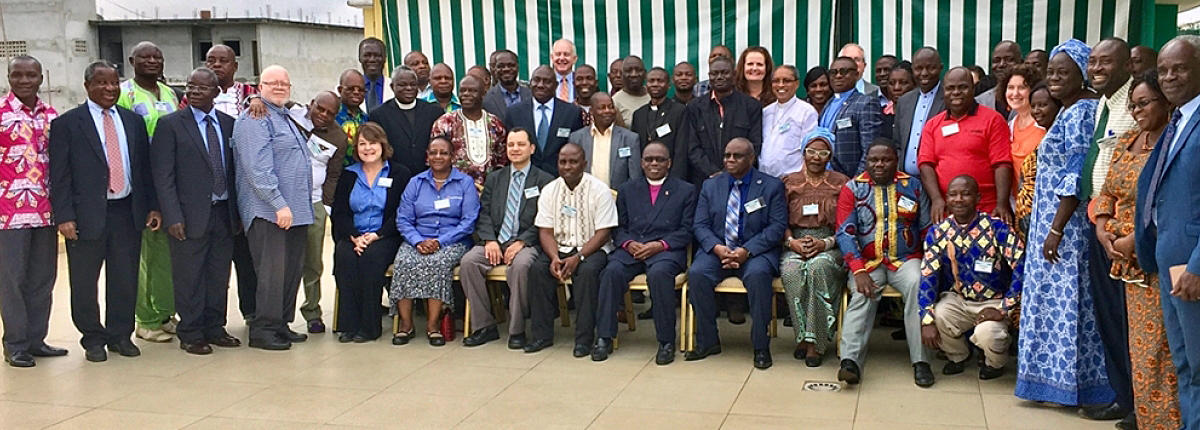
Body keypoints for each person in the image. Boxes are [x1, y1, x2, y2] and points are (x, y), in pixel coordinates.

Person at [1016, 39, 1115, 408]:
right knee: (1054, 304)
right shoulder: (1068, 110)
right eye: (1051, 72)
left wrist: (1055, 229)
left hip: (1068, 231)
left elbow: (1076, 175)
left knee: (1069, 305)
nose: (1054, 78)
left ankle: (1076, 389)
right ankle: (1050, 383)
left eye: (1063, 72)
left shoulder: (1082, 112)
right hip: (1050, 225)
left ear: (1082, 73)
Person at [50, 60, 157, 362]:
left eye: (114, 83)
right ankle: (92, 338)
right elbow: (59, 176)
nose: (109, 89)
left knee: (124, 277)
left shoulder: (131, 121)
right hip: (86, 215)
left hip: (127, 210)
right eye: (101, 82)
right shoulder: (68, 124)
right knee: (84, 281)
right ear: (88, 86)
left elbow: (144, 170)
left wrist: (151, 207)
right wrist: (65, 216)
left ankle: (120, 335)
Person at [1095, 71, 1182, 430]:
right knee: (1140, 352)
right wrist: (1102, 229)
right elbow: (1107, 190)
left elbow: (1173, 203)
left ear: (1167, 103)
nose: (1136, 111)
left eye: (1144, 103)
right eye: (1133, 105)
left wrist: (1135, 240)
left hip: (1156, 261)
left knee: (1163, 354)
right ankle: (1146, 419)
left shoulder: (1174, 144)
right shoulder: (1128, 140)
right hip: (1122, 264)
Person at [150, 67, 241, 355]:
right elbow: (162, 176)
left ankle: (215, 327)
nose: (195, 92)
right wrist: (172, 216)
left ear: (217, 92)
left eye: (203, 88)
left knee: (218, 275)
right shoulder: (171, 125)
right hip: (187, 216)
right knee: (189, 277)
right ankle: (190, 332)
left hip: (223, 212)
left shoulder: (229, 124)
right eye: (190, 86)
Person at [1135, 35, 1200, 430]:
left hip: (1192, 267)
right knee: (1185, 363)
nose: (1170, 77)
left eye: (1180, 68)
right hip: (1168, 261)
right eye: (1164, 70)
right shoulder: (1179, 119)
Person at [836, 141, 933, 387]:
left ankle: (921, 361)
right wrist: (857, 270)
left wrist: (928, 263)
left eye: (886, 160)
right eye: (874, 160)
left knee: (917, 285)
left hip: (905, 259)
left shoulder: (913, 186)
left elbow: (925, 229)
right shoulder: (853, 188)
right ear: (866, 160)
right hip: (867, 262)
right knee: (861, 294)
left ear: (896, 160)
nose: (879, 165)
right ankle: (850, 362)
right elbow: (845, 233)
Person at [1079, 38, 1140, 425]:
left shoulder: (1134, 106)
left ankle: (1138, 403)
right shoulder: (1105, 103)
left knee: (1126, 319)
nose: (1097, 68)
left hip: (1125, 233)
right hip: (1099, 225)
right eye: (1094, 62)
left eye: (1106, 62)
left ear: (1127, 65)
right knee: (1109, 318)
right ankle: (1123, 397)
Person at [686, 138, 787, 369]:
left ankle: (761, 346)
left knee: (758, 276)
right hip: (718, 250)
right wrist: (718, 248)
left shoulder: (771, 186)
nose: (730, 160)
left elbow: (777, 227)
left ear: (751, 158)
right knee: (698, 274)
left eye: (737, 156)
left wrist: (746, 250)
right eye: (727, 155)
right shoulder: (711, 185)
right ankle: (708, 341)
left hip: (756, 252)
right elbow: (700, 225)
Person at [233, 65, 313, 351]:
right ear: (260, 86)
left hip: (296, 212)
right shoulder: (255, 119)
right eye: (273, 83)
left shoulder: (286, 116)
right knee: (271, 272)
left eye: (284, 83)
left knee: (290, 271)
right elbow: (257, 169)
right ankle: (263, 329)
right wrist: (278, 204)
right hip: (269, 211)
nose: (279, 87)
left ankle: (280, 323)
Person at [593, 142, 696, 364]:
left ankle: (666, 341)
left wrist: (660, 245)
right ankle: (604, 337)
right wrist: (629, 243)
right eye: (649, 159)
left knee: (659, 276)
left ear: (669, 163)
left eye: (660, 159)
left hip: (666, 251)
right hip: (633, 249)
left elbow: (688, 230)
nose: (654, 163)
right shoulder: (627, 189)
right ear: (641, 163)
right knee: (610, 272)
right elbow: (618, 227)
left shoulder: (686, 190)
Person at [918, 175, 1024, 379]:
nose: (959, 199)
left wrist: (1004, 308)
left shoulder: (997, 228)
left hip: (993, 301)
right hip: (959, 300)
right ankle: (958, 355)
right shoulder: (939, 232)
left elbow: (1022, 267)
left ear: (977, 197)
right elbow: (928, 276)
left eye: (966, 194)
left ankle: (994, 363)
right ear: (946, 199)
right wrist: (926, 320)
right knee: (938, 314)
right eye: (953, 195)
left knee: (989, 334)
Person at [459, 127, 555, 348]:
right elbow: (483, 213)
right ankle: (485, 326)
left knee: (521, 267)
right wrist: (490, 240)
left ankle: (517, 330)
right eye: (511, 145)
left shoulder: (545, 180)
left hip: (527, 242)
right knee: (468, 262)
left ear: (531, 148)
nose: (515, 149)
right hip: (495, 240)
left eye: (521, 144)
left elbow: (544, 219)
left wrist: (521, 242)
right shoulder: (495, 178)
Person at [0, 56, 65, 367]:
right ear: (9, 77)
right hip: (7, 214)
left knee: (42, 278)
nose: (24, 80)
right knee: (11, 280)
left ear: (41, 78)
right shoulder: (0, 114)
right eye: (17, 75)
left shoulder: (51, 115)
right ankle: (15, 344)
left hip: (45, 212)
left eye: (30, 75)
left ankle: (37, 339)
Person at [524, 143, 618, 354]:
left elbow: (604, 232)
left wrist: (579, 257)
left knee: (587, 273)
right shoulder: (550, 190)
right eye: (562, 162)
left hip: (592, 249)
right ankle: (541, 336)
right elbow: (545, 231)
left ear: (584, 164)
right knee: (538, 270)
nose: (567, 166)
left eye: (573, 162)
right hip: (559, 248)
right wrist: (554, 257)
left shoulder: (600, 190)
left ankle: (584, 339)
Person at [390, 137, 480, 346]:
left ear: (452, 157)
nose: (438, 157)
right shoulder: (416, 182)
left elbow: (468, 221)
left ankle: (432, 326)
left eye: (444, 153)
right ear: (427, 157)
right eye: (433, 153)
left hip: (453, 241)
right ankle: (406, 325)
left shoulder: (464, 183)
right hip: (418, 238)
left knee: (436, 263)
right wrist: (417, 241)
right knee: (403, 261)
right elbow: (403, 218)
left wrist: (440, 242)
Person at [116, 41, 178, 344]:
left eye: (158, 56)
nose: (152, 61)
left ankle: (165, 313)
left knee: (165, 253)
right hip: (140, 183)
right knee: (144, 254)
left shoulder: (169, 94)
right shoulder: (124, 95)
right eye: (145, 56)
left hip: (167, 182)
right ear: (132, 60)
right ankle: (145, 318)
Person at [330, 123, 412, 343]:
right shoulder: (348, 175)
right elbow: (340, 212)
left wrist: (377, 235)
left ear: (382, 145)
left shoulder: (399, 173)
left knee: (371, 259)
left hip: (386, 235)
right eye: (362, 144)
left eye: (372, 143)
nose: (367, 148)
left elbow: (401, 213)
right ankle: (348, 325)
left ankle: (369, 326)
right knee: (345, 257)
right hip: (353, 235)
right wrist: (354, 236)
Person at [778, 129, 850, 367]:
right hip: (795, 242)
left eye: (822, 152)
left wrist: (824, 244)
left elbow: (847, 225)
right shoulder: (789, 182)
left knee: (819, 267)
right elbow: (779, 221)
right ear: (803, 153)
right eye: (811, 151)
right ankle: (803, 335)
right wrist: (792, 243)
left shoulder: (841, 183)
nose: (816, 157)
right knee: (791, 271)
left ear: (830, 155)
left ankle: (815, 344)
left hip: (830, 243)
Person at [199, 44, 260, 319]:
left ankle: (252, 311)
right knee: (213, 262)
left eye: (224, 61)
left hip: (244, 187)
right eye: (211, 60)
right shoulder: (194, 98)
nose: (216, 65)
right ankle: (212, 319)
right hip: (209, 190)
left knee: (246, 258)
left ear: (235, 67)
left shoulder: (251, 95)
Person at [917, 67, 1014, 221]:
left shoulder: (993, 120)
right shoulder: (932, 125)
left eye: (962, 87)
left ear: (973, 88)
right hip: (947, 211)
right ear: (943, 91)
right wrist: (936, 199)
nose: (956, 92)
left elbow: (1002, 164)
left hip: (987, 209)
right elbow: (925, 164)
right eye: (950, 88)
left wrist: (1002, 204)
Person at [289, 91, 348, 334]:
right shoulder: (293, 115)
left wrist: (326, 205)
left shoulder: (338, 137)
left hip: (314, 203)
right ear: (311, 104)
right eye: (319, 109)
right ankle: (278, 315)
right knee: (284, 261)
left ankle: (312, 312)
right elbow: (265, 97)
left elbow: (334, 174)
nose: (323, 115)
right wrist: (255, 99)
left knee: (313, 263)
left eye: (330, 113)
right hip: (286, 201)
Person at [684, 56, 763, 184]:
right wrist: (714, 173)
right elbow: (692, 147)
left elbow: (755, 144)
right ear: (709, 76)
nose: (719, 77)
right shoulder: (695, 107)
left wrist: (731, 171)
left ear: (734, 74)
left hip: (742, 178)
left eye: (724, 73)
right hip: (705, 180)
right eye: (714, 73)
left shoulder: (751, 106)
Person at [503, 65, 586, 176]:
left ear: (556, 85)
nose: (541, 85)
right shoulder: (514, 112)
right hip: (526, 178)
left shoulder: (572, 113)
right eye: (536, 80)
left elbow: (576, 149)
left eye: (547, 81)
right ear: (530, 83)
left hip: (560, 178)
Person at [428, 75, 508, 185]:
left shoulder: (495, 124)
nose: (466, 94)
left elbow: (502, 161)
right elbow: (435, 160)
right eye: (462, 90)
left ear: (483, 94)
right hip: (454, 189)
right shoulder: (445, 123)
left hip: (490, 191)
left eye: (472, 91)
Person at [369, 67, 445, 176]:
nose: (408, 88)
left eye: (413, 84)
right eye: (402, 85)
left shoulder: (434, 112)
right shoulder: (379, 115)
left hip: (429, 176)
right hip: (395, 176)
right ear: (392, 87)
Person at [822, 56, 884, 177]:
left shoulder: (866, 103)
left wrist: (857, 181)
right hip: (825, 179)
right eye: (833, 72)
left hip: (849, 180)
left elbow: (869, 149)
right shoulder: (828, 103)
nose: (838, 76)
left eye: (844, 71)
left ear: (856, 74)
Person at [1015, 83, 1062, 235]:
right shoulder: (1047, 139)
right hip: (1033, 223)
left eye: (1042, 105)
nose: (1036, 111)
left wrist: (1055, 230)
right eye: (1033, 106)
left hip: (1050, 222)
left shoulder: (1060, 140)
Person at [569, 92, 641, 190]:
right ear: (592, 111)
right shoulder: (577, 138)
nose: (607, 111)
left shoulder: (630, 139)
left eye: (611, 107)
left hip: (617, 199)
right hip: (586, 198)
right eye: (602, 108)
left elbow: (635, 178)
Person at [894, 47, 945, 178]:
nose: (924, 73)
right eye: (918, 69)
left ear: (940, 68)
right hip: (907, 181)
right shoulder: (904, 101)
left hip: (938, 179)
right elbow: (898, 143)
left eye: (930, 68)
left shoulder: (949, 98)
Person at [760, 65, 819, 177]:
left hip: (791, 180)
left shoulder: (806, 111)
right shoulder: (766, 111)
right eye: (776, 81)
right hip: (765, 179)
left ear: (796, 84)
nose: (781, 85)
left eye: (786, 81)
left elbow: (809, 148)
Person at [631, 67, 689, 180]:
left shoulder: (679, 111)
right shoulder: (639, 114)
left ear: (668, 85)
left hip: (671, 176)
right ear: (646, 85)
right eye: (651, 81)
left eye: (660, 81)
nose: (655, 84)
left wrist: (676, 180)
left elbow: (681, 150)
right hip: (645, 177)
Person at [1001, 65, 1044, 171]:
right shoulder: (1009, 126)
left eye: (1022, 88)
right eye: (1010, 87)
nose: (1015, 93)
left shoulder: (1043, 125)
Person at [977, 41, 1024, 118]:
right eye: (996, 61)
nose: (1001, 64)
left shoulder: (1032, 98)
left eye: (1009, 59)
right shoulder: (980, 101)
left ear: (1021, 63)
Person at [482, 50, 531, 119]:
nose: (506, 69)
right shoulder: (486, 99)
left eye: (511, 65)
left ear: (518, 67)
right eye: (501, 66)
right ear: (495, 69)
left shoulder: (531, 94)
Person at [336, 69, 368, 156]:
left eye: (361, 90)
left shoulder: (366, 118)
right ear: (340, 90)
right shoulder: (331, 114)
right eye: (350, 89)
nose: (356, 92)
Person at [613, 56, 650, 127]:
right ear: (622, 75)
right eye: (628, 70)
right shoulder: (615, 102)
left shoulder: (654, 96)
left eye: (638, 70)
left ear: (645, 73)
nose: (634, 74)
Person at [359, 37, 389, 113]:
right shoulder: (346, 90)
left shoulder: (396, 88)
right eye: (367, 55)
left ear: (384, 58)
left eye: (377, 55)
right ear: (360, 58)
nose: (372, 59)